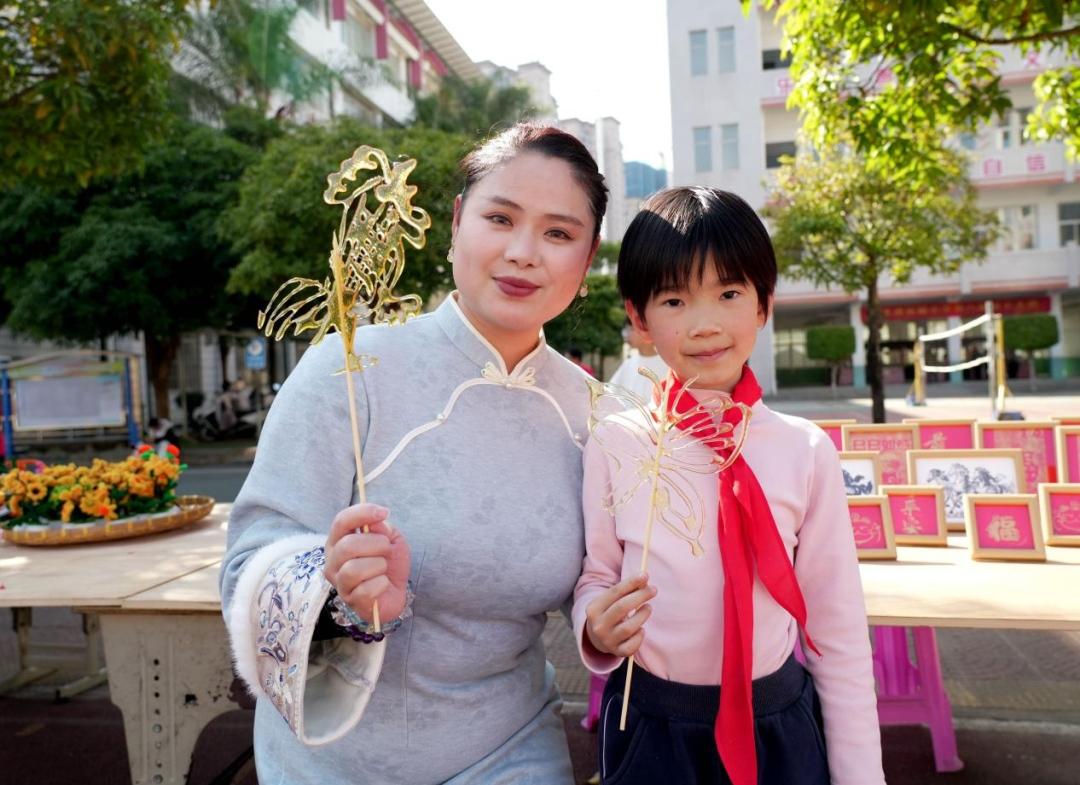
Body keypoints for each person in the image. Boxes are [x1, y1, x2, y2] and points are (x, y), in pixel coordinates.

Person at [220, 124, 607, 785]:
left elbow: (605, 588)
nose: (522, 252)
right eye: (500, 218)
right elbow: (249, 561)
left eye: (558, 233)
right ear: (456, 224)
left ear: (589, 256)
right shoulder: (350, 369)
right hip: (332, 756)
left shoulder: (597, 416)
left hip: (508, 747)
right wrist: (338, 592)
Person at [572, 188, 884, 785]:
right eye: (674, 300)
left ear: (764, 304)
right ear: (639, 318)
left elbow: (837, 630)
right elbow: (596, 575)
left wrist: (862, 775)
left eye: (730, 293)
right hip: (650, 722)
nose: (706, 324)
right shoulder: (616, 443)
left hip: (778, 721)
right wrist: (595, 623)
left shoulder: (805, 450)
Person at [606, 321, 669, 400]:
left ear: (647, 331)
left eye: (632, 329)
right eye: (626, 329)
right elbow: (610, 393)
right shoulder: (629, 363)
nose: (626, 334)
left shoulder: (666, 365)